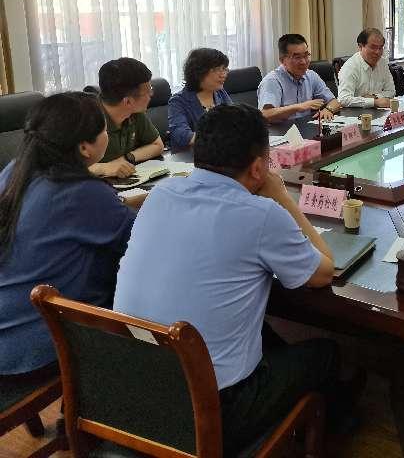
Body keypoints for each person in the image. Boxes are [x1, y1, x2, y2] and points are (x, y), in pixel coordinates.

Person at [113, 104, 340, 454]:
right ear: (258, 168)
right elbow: (324, 272)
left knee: (262, 332)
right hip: (210, 412)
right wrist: (280, 196)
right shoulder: (261, 214)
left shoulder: (159, 195)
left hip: (130, 394)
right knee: (326, 354)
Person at [0, 92, 139, 379]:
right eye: (104, 130)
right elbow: (142, 241)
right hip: (31, 348)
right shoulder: (81, 192)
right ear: (85, 147)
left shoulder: (14, 173)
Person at [88, 58, 164, 179]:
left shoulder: (134, 113)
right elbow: (64, 168)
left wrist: (127, 158)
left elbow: (157, 145)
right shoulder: (87, 119)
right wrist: (104, 168)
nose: (152, 94)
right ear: (128, 101)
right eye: (148, 91)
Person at [259, 34, 341, 121]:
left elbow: (334, 102)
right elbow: (265, 114)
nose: (304, 62)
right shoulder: (272, 81)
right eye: (297, 57)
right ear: (282, 60)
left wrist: (328, 110)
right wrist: (299, 107)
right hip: (283, 129)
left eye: (306, 55)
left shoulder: (311, 75)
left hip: (306, 126)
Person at [168, 48, 232, 148]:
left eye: (224, 69)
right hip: (191, 154)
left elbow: (234, 121)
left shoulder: (220, 93)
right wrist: (220, 137)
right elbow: (182, 135)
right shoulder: (178, 101)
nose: (223, 74)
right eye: (217, 69)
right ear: (199, 72)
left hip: (220, 150)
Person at [336, 28, 396, 108]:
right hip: (355, 113)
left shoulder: (382, 63)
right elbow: (343, 99)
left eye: (380, 47)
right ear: (360, 46)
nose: (377, 52)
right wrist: (374, 102)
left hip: (379, 111)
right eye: (373, 47)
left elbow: (391, 91)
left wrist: (374, 97)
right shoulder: (350, 67)